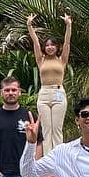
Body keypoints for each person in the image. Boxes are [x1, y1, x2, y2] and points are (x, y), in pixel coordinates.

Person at [26, 13, 72, 151]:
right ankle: (48, 160)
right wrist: (29, 25)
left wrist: (69, 25)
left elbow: (67, 42)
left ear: (56, 47)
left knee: (57, 130)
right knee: (46, 130)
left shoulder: (61, 60)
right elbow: (35, 42)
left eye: (52, 45)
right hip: (44, 94)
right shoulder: (41, 60)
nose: (50, 47)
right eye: (47, 45)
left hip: (58, 93)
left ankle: (58, 159)